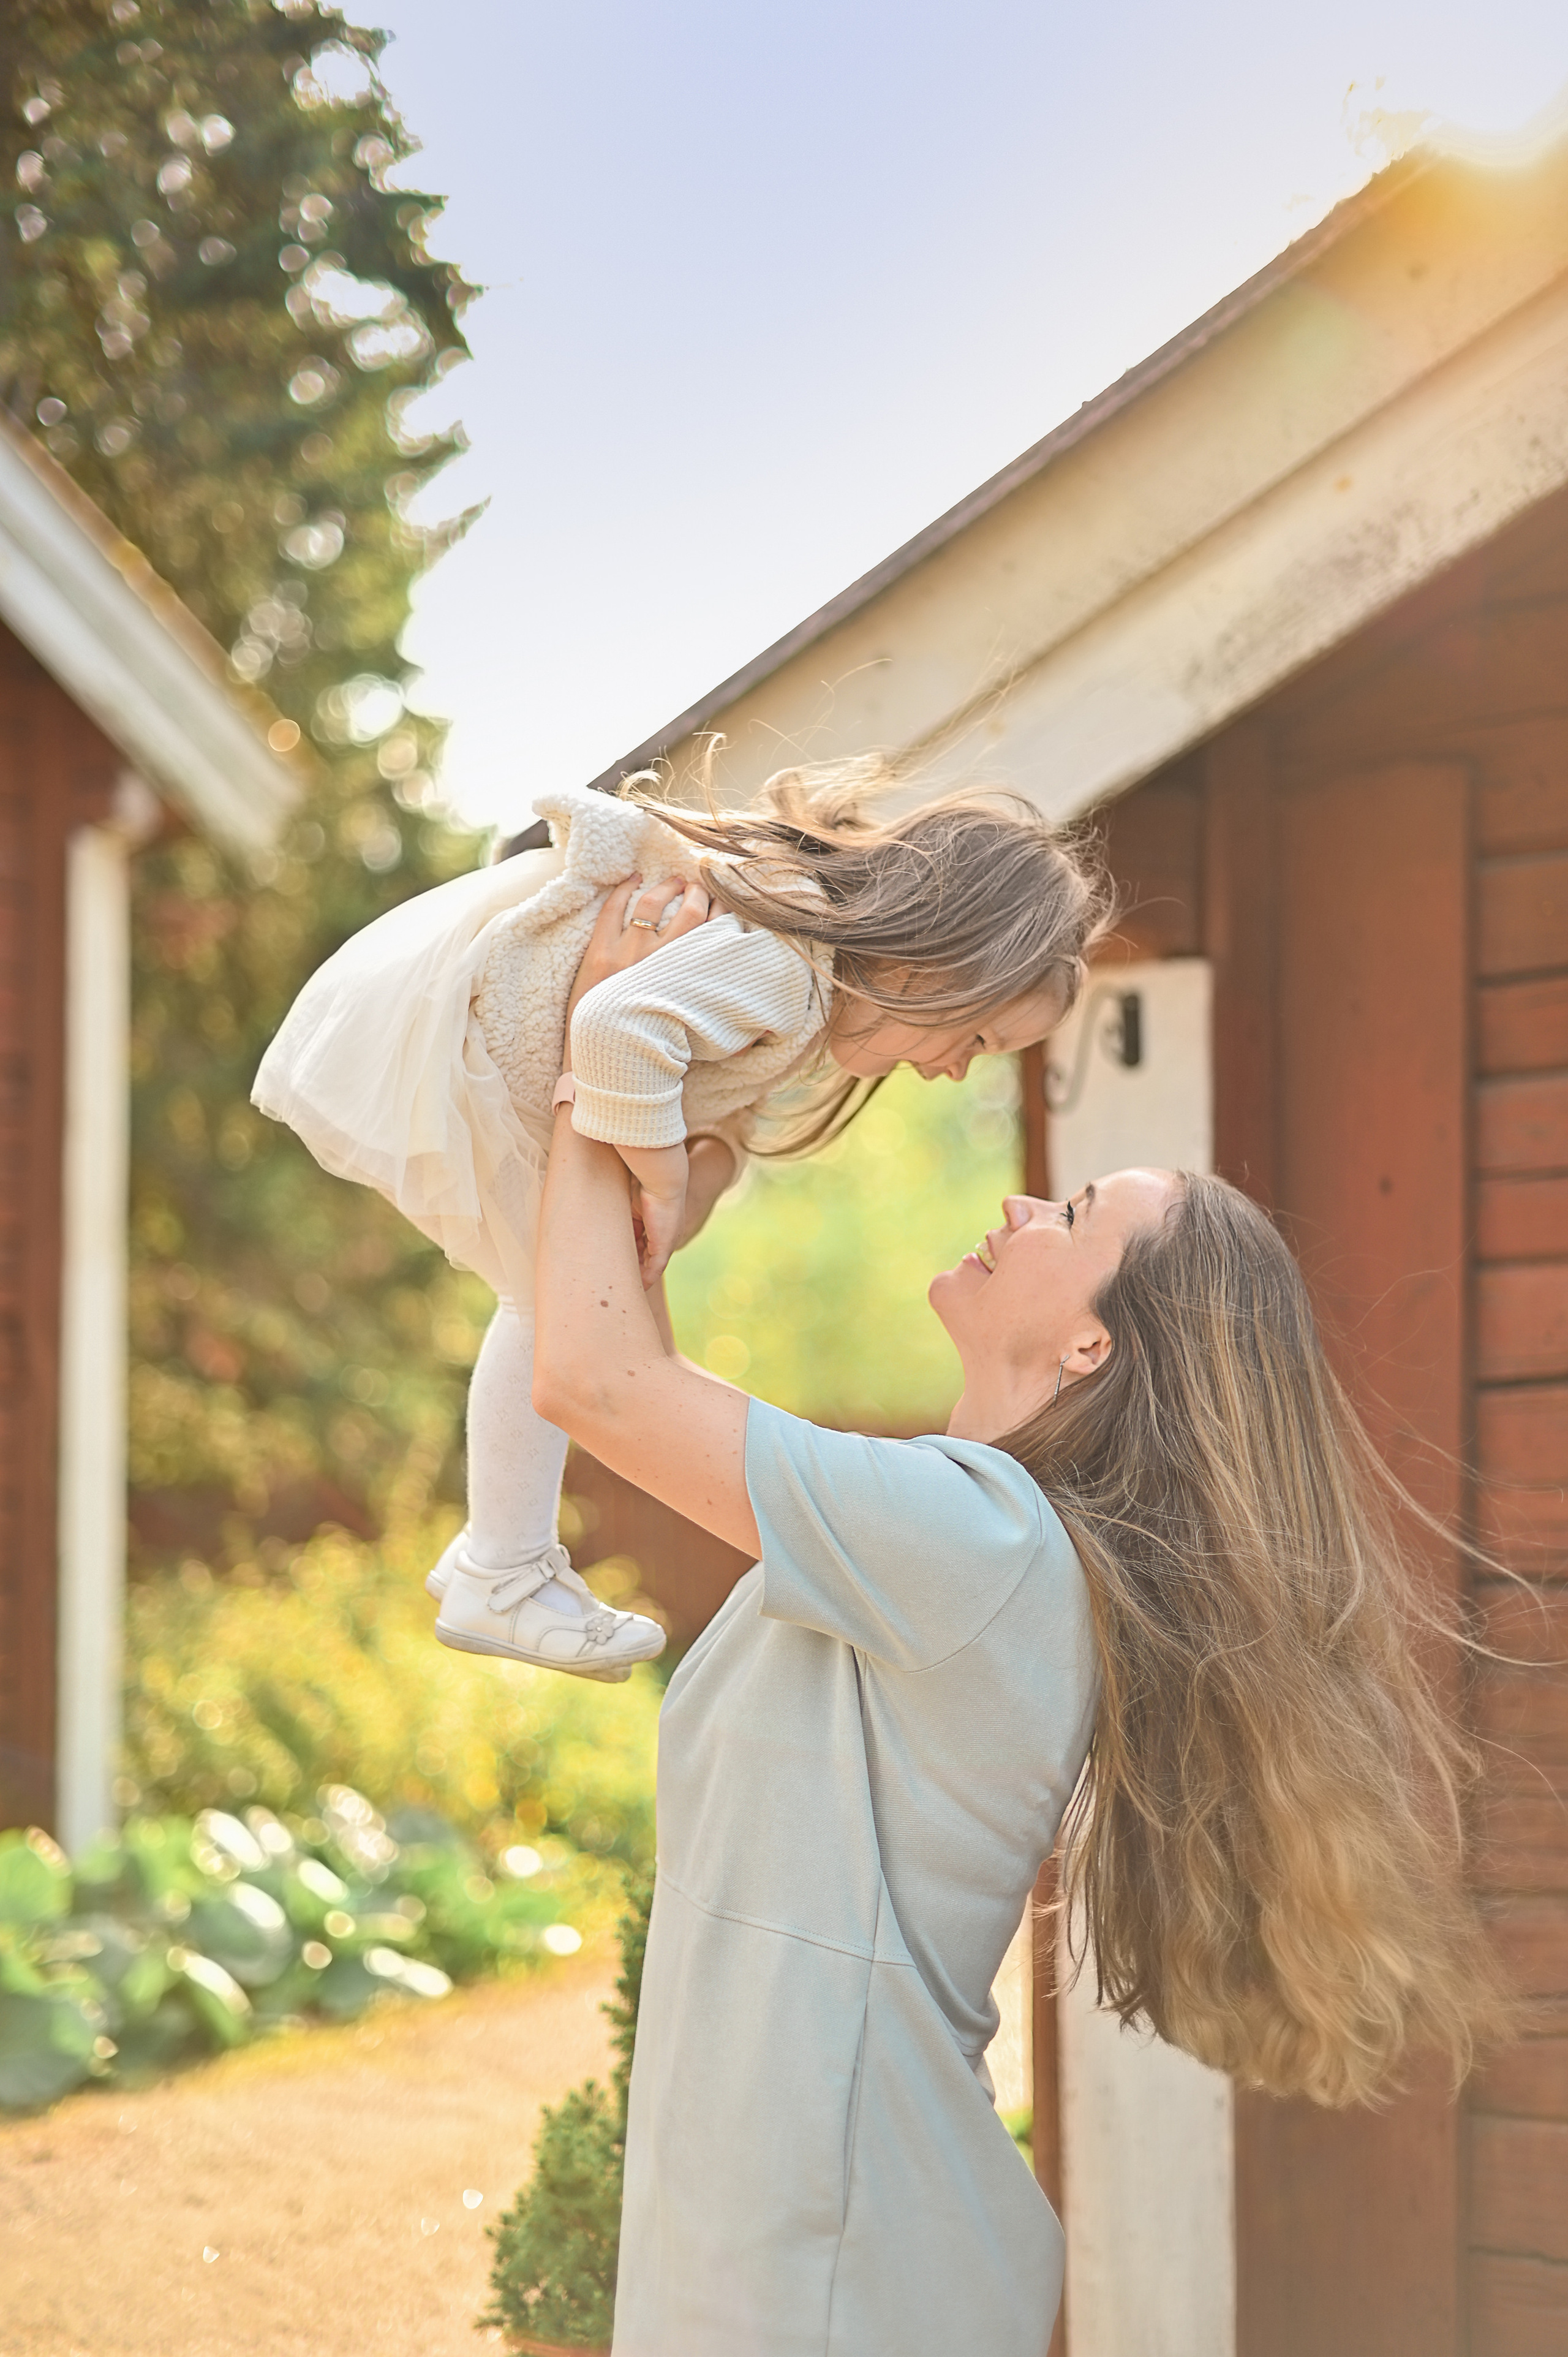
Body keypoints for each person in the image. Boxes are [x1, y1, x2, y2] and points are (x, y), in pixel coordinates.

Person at [529, 885, 1510, 2357]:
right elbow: (613, 1336)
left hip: (837, 2245)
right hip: (802, 2221)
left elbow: (594, 1380)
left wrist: (590, 1046)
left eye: (1068, 1213)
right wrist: (649, 1098)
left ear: (1090, 1341)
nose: (1013, 1204)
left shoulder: (976, 1545)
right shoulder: (964, 1537)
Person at [253, 757, 1108, 1681]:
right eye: (977, 1037)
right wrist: (659, 1180)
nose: (958, 1071)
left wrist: (685, 1183)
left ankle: (497, 1561)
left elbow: (706, 1088)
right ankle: (499, 1567)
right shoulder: (790, 967)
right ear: (936, 956)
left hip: (501, 1050)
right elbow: (618, 1029)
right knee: (554, 1305)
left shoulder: (798, 969)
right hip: (492, 1045)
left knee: (573, 1301)